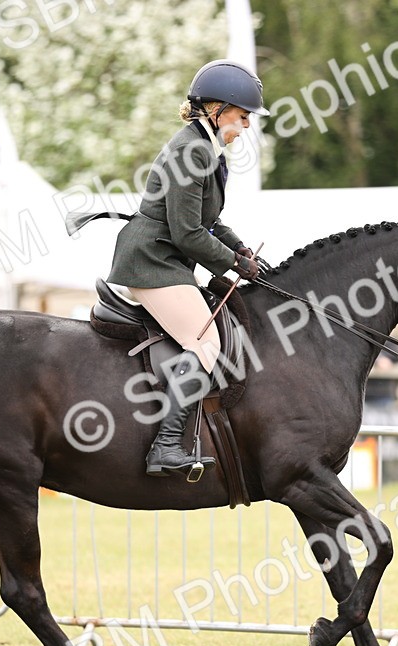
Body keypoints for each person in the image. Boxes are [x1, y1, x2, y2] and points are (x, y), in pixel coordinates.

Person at [105, 60, 268, 479]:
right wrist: (234, 265)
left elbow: (209, 221)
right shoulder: (192, 150)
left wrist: (240, 248)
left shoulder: (206, 147)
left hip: (165, 257)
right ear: (217, 109)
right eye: (242, 116)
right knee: (205, 343)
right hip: (153, 261)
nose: (246, 126)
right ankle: (165, 447)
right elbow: (188, 234)